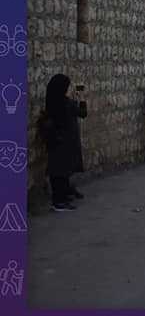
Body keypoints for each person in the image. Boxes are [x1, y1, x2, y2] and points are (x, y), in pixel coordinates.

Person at [39, 74, 86, 212]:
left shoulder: (52, 102)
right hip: (65, 142)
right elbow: (83, 113)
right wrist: (81, 98)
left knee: (57, 171)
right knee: (62, 172)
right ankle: (59, 202)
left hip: (55, 141)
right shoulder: (68, 104)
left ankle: (61, 198)